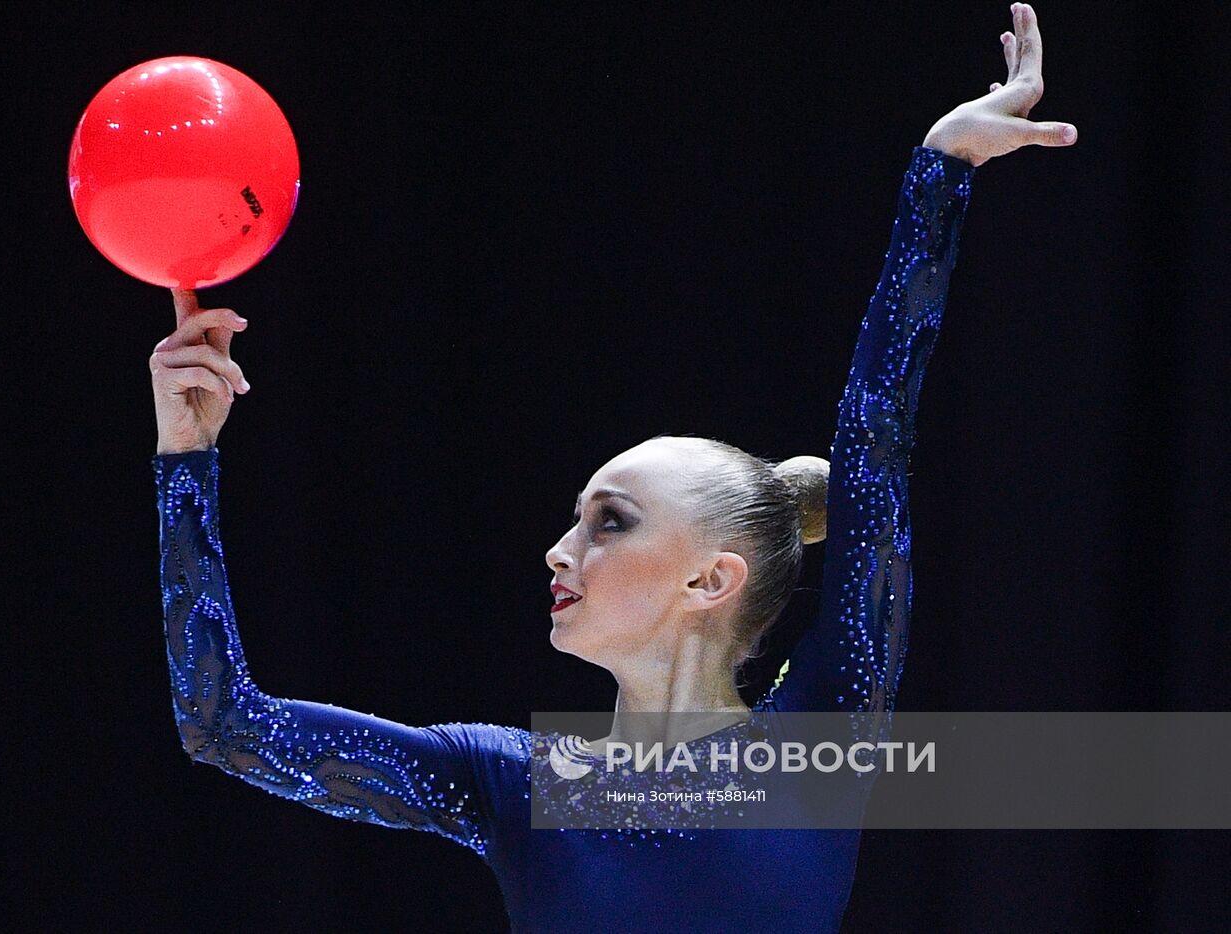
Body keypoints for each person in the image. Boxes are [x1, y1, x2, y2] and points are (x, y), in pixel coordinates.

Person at [148, 5, 1075, 930]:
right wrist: (187, 456)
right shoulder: (512, 782)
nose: (558, 551)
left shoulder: (819, 742)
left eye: (610, 521)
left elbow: (877, 444)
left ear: (711, 577)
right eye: (578, 519)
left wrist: (940, 174)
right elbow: (224, 725)